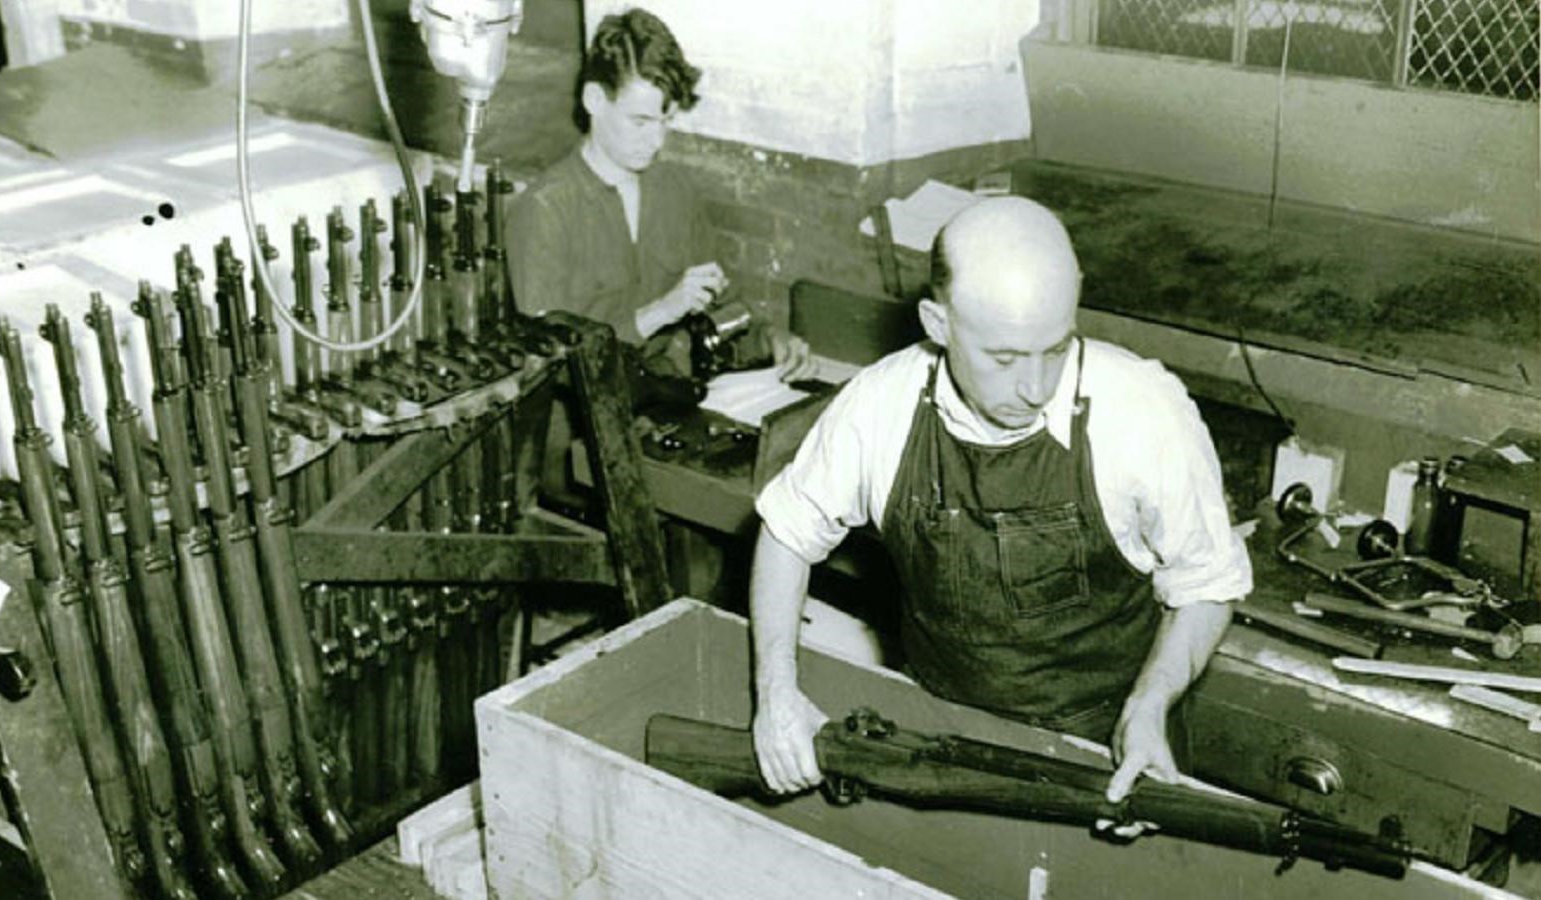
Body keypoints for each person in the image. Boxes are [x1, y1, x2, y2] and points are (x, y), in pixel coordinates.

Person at [748, 197, 1251, 805]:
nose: (1035, 388)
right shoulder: (880, 407)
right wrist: (777, 697)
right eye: (1004, 358)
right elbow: (786, 532)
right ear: (939, 325)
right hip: (938, 734)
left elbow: (1207, 585)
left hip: (1111, 750)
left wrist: (1150, 703)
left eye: (1057, 347)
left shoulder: (1144, 412)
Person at [508, 7, 811, 376]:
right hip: (585, 421)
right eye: (640, 121)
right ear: (594, 100)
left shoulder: (674, 190)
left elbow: (724, 304)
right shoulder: (544, 210)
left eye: (665, 122)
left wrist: (771, 338)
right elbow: (549, 365)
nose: (655, 141)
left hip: (670, 400)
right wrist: (660, 312)